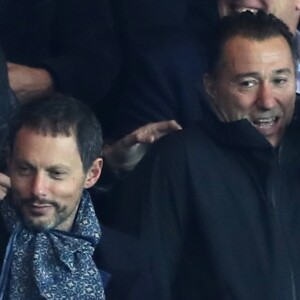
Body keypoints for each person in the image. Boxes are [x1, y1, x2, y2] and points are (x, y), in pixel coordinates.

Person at [114, 11, 300, 299]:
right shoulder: (180, 159)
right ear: (211, 88)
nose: (266, 100)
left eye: (279, 80)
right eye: (247, 83)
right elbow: (146, 283)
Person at [0, 94, 148, 300]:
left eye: (56, 174)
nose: (37, 189)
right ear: (9, 162)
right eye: (25, 169)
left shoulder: (132, 261)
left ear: (92, 174)